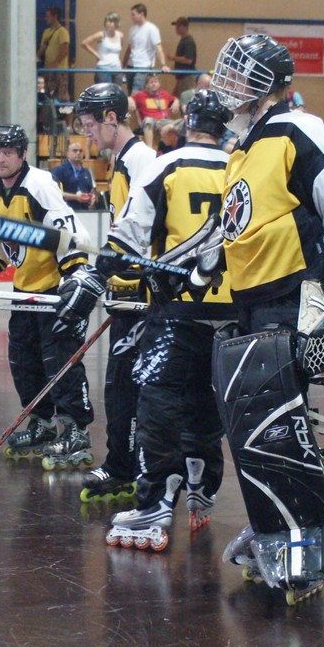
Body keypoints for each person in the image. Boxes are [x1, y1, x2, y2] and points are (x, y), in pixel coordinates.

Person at [209, 33, 324, 601]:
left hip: (291, 298)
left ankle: (303, 545)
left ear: (266, 84)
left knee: (276, 426)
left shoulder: (297, 129)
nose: (227, 82)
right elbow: (242, 228)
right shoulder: (242, 148)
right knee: (253, 426)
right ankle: (275, 528)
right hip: (252, 303)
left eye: (239, 73)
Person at [97, 90, 236, 549]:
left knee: (158, 397)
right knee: (205, 397)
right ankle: (201, 479)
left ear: (185, 123)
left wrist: (104, 266)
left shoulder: (166, 165)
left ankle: (156, 498)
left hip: (178, 309)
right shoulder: (240, 166)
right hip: (233, 312)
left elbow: (129, 237)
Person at [0, 124, 100, 465]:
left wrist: (76, 282)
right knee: (23, 363)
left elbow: (67, 235)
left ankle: (76, 430)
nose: (1, 159)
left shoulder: (39, 184)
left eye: (8, 153)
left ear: (23, 154)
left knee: (61, 364)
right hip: (24, 293)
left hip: (55, 293)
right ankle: (42, 423)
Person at [74, 82, 160, 501]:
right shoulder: (121, 161)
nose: (86, 133)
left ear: (112, 118)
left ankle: (129, 469)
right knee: (120, 386)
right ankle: (123, 464)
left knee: (128, 387)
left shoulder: (141, 160)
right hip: (128, 293)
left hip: (145, 297)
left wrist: (101, 274)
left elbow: (140, 230)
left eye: (90, 124)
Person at [128, 73, 180, 148]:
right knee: (148, 120)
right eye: (151, 82)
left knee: (183, 122)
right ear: (147, 85)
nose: (154, 84)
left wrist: (176, 102)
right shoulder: (141, 95)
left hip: (165, 121)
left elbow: (175, 99)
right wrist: (130, 100)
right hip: (152, 122)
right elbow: (129, 98)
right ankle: (149, 148)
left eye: (155, 82)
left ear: (159, 84)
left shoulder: (165, 94)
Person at [125, 3, 166, 93]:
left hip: (143, 66)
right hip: (131, 65)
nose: (132, 17)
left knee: (136, 92)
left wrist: (163, 64)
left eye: (133, 14)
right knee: (130, 92)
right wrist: (123, 65)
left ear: (141, 14)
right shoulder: (132, 29)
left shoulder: (152, 29)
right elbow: (129, 48)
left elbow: (158, 47)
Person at [38, 6, 71, 106]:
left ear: (55, 16)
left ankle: (66, 115)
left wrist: (55, 64)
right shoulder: (46, 32)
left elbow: (65, 50)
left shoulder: (62, 32)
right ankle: (46, 114)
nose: (46, 19)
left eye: (48, 16)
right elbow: (42, 49)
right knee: (47, 94)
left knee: (62, 95)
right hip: (48, 69)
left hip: (59, 69)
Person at [82, 11, 125, 87]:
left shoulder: (120, 35)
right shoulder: (101, 35)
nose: (108, 23)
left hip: (117, 69)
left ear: (116, 23)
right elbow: (84, 43)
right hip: (103, 68)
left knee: (116, 91)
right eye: (106, 21)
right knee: (103, 91)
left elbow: (119, 48)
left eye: (110, 21)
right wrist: (97, 54)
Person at [50, 139, 96, 210]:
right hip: (66, 211)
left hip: (85, 211)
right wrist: (75, 197)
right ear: (68, 153)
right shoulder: (60, 170)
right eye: (75, 150)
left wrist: (92, 197)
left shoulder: (86, 172)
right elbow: (54, 192)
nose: (78, 153)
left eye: (80, 151)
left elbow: (91, 191)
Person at [170, 17, 198, 95]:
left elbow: (188, 60)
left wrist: (173, 57)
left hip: (187, 77)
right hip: (182, 77)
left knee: (186, 97)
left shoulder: (189, 42)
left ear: (184, 27)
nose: (176, 29)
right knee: (176, 97)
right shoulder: (184, 40)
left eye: (178, 26)